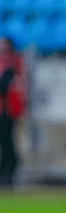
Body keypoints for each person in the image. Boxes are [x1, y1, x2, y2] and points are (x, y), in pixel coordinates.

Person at [0, 36, 21, 189]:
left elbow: (4, 85)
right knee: (5, 143)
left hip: (7, 111)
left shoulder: (11, 62)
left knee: (7, 143)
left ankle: (8, 171)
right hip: (4, 110)